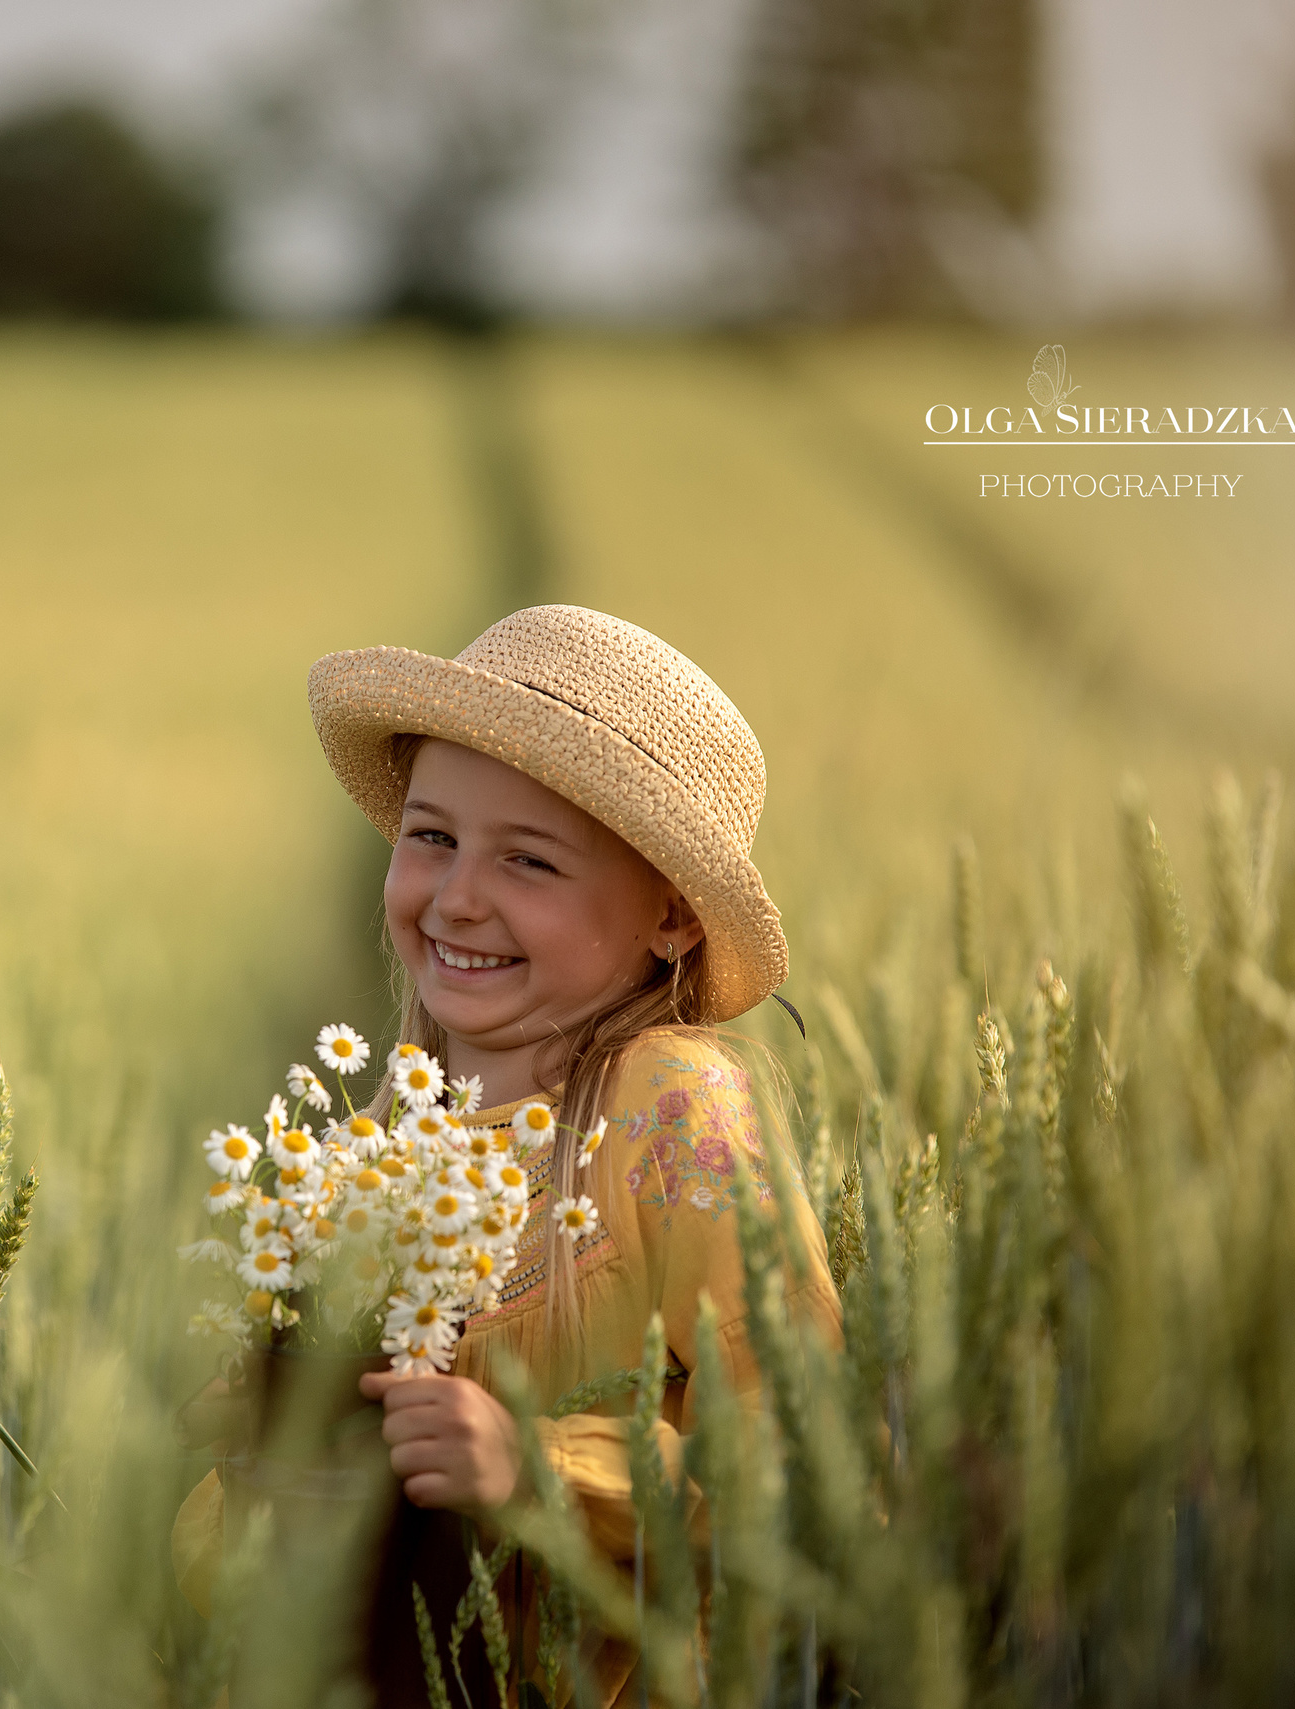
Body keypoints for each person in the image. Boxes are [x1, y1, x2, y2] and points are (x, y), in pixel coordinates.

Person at [173, 605, 841, 1707]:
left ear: (670, 916)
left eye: (528, 859)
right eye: (430, 836)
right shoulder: (368, 1149)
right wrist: (256, 1469)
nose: (458, 896)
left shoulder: (674, 1109)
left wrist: (537, 1468)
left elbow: (808, 1464)